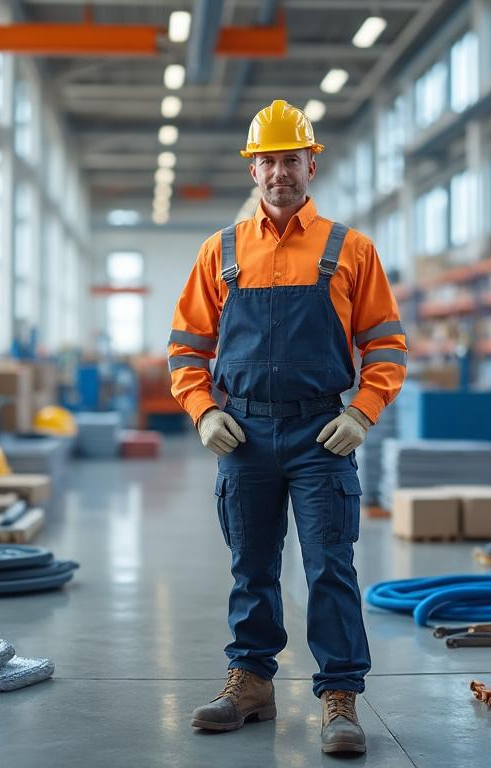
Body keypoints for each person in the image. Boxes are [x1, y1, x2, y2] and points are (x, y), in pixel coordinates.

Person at [167, 98, 407, 755]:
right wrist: (203, 410)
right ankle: (250, 682)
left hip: (321, 435)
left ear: (311, 165)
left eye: (290, 160)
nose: (280, 172)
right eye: (267, 161)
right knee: (251, 566)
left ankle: (339, 696)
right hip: (242, 434)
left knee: (330, 566)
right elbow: (186, 350)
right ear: (253, 170)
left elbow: (386, 348)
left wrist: (362, 412)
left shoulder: (350, 250)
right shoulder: (220, 252)